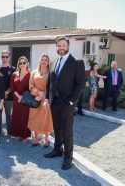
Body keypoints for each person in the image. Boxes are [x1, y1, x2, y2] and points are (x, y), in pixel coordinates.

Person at [43, 37, 85, 170]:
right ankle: (57, 150)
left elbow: (80, 84)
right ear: (56, 47)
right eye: (59, 45)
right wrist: (46, 99)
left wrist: (73, 101)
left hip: (68, 103)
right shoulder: (54, 62)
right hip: (54, 102)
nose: (61, 47)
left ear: (68, 46)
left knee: (67, 131)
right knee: (57, 129)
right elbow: (49, 83)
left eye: (64, 45)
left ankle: (68, 157)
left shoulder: (77, 63)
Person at [28, 53, 53, 147]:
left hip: (46, 100)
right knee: (35, 119)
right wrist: (38, 92)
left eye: (45, 60)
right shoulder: (34, 72)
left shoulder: (51, 73)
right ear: (39, 61)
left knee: (46, 120)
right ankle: (36, 138)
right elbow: (30, 86)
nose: (43, 61)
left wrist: (43, 96)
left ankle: (47, 140)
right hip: (35, 99)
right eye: (42, 59)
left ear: (48, 62)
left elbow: (52, 87)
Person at [9, 56, 31, 142]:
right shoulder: (14, 74)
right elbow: (12, 87)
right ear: (18, 64)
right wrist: (18, 96)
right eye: (20, 63)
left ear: (27, 64)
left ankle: (25, 136)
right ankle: (18, 134)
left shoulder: (30, 74)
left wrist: (23, 97)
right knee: (17, 116)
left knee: (25, 117)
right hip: (16, 99)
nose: (22, 64)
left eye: (24, 63)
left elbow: (31, 88)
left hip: (26, 100)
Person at [0, 50, 16, 134]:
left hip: (9, 96)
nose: (4, 58)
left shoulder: (13, 69)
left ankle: (10, 131)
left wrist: (7, 92)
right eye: (3, 57)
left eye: (6, 57)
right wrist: (2, 93)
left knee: (9, 115)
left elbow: (13, 83)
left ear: (9, 57)